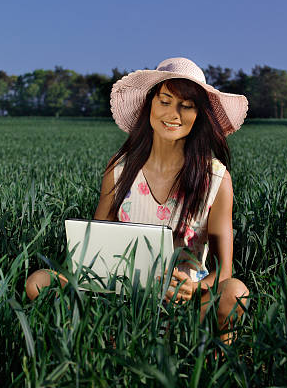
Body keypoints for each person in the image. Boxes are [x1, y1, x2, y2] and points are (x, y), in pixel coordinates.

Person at [26, 57, 249, 341]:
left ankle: (211, 352)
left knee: (235, 292)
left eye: (187, 105)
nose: (174, 114)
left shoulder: (216, 178)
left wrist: (194, 288)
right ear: (149, 106)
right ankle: (93, 337)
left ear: (199, 114)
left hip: (186, 299)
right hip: (120, 293)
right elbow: (95, 246)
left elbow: (223, 271)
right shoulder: (120, 169)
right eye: (165, 101)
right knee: (38, 282)